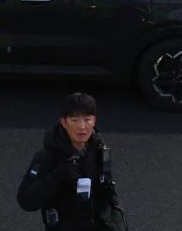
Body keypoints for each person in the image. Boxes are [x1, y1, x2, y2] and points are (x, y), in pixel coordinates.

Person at [17, 93, 122, 231]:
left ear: (94, 121)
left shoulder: (99, 150)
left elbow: (108, 190)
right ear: (64, 122)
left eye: (87, 119)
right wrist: (57, 177)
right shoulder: (47, 157)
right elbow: (26, 200)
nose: (82, 127)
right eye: (75, 120)